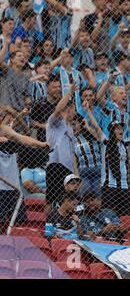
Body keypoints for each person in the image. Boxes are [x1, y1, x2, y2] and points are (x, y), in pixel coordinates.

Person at [45, 83, 77, 213]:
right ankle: (48, 224)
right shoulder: (55, 121)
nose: (75, 112)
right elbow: (58, 110)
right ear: (69, 108)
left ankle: (63, 226)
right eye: (74, 109)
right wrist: (69, 92)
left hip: (68, 170)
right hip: (55, 166)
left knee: (67, 201)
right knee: (52, 199)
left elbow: (72, 153)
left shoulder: (70, 127)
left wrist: (75, 174)